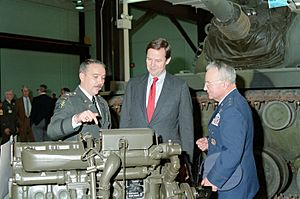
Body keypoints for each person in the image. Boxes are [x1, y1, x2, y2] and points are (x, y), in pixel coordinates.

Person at [119, 38, 194, 166]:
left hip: (168, 158)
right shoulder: (133, 84)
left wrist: (187, 163)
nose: (152, 64)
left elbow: (187, 129)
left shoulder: (179, 87)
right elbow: (125, 122)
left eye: (158, 60)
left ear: (167, 60)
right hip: (137, 156)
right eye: (149, 59)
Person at [196, 61, 259, 198]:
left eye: (208, 83)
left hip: (233, 183)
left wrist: (213, 178)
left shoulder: (231, 110)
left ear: (224, 84)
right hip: (235, 178)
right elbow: (232, 139)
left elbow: (233, 151)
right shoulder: (231, 101)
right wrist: (211, 142)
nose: (205, 88)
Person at [47, 59, 111, 141]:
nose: (100, 82)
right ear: (82, 77)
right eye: (95, 77)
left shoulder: (102, 102)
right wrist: (76, 119)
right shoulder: (69, 100)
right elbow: (51, 131)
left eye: (103, 78)